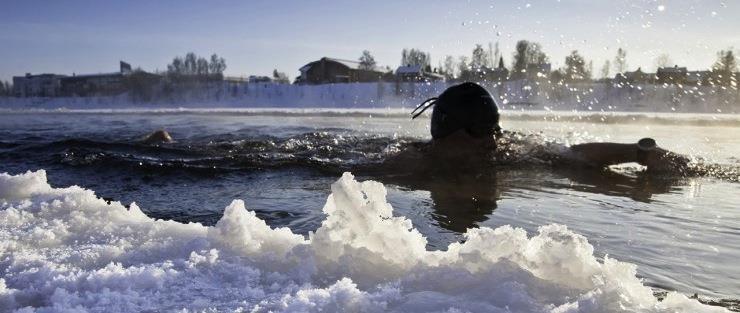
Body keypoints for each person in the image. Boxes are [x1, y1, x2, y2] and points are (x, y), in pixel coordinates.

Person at [379, 82, 690, 176]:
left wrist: (641, 153)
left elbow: (574, 155)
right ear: (447, 134)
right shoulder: (409, 162)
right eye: (479, 131)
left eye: (495, 129)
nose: (492, 140)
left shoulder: (510, 151)